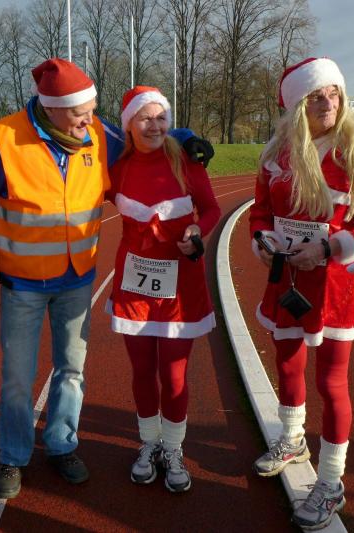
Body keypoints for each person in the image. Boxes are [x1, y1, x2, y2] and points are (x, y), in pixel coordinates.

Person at [0, 58, 213, 499]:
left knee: (71, 370)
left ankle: (62, 445)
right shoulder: (3, 138)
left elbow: (149, 132)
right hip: (23, 283)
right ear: (51, 108)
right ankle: (13, 456)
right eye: (80, 113)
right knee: (18, 378)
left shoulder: (98, 132)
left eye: (92, 111)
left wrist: (186, 138)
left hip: (76, 280)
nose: (89, 120)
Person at [249, 58, 354, 529]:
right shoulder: (277, 152)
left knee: (332, 382)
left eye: (333, 92)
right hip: (287, 277)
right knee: (287, 363)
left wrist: (330, 247)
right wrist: (263, 241)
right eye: (315, 96)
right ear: (296, 106)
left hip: (335, 284)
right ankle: (292, 439)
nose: (327, 102)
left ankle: (330, 480)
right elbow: (260, 212)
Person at [105, 86, 220, 492]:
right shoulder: (118, 169)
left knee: (174, 376)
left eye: (161, 118)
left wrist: (197, 231)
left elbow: (211, 209)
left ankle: (173, 448)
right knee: (142, 371)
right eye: (145, 118)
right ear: (129, 125)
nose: (154, 126)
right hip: (134, 285)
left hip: (180, 286)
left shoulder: (186, 162)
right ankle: (148, 442)